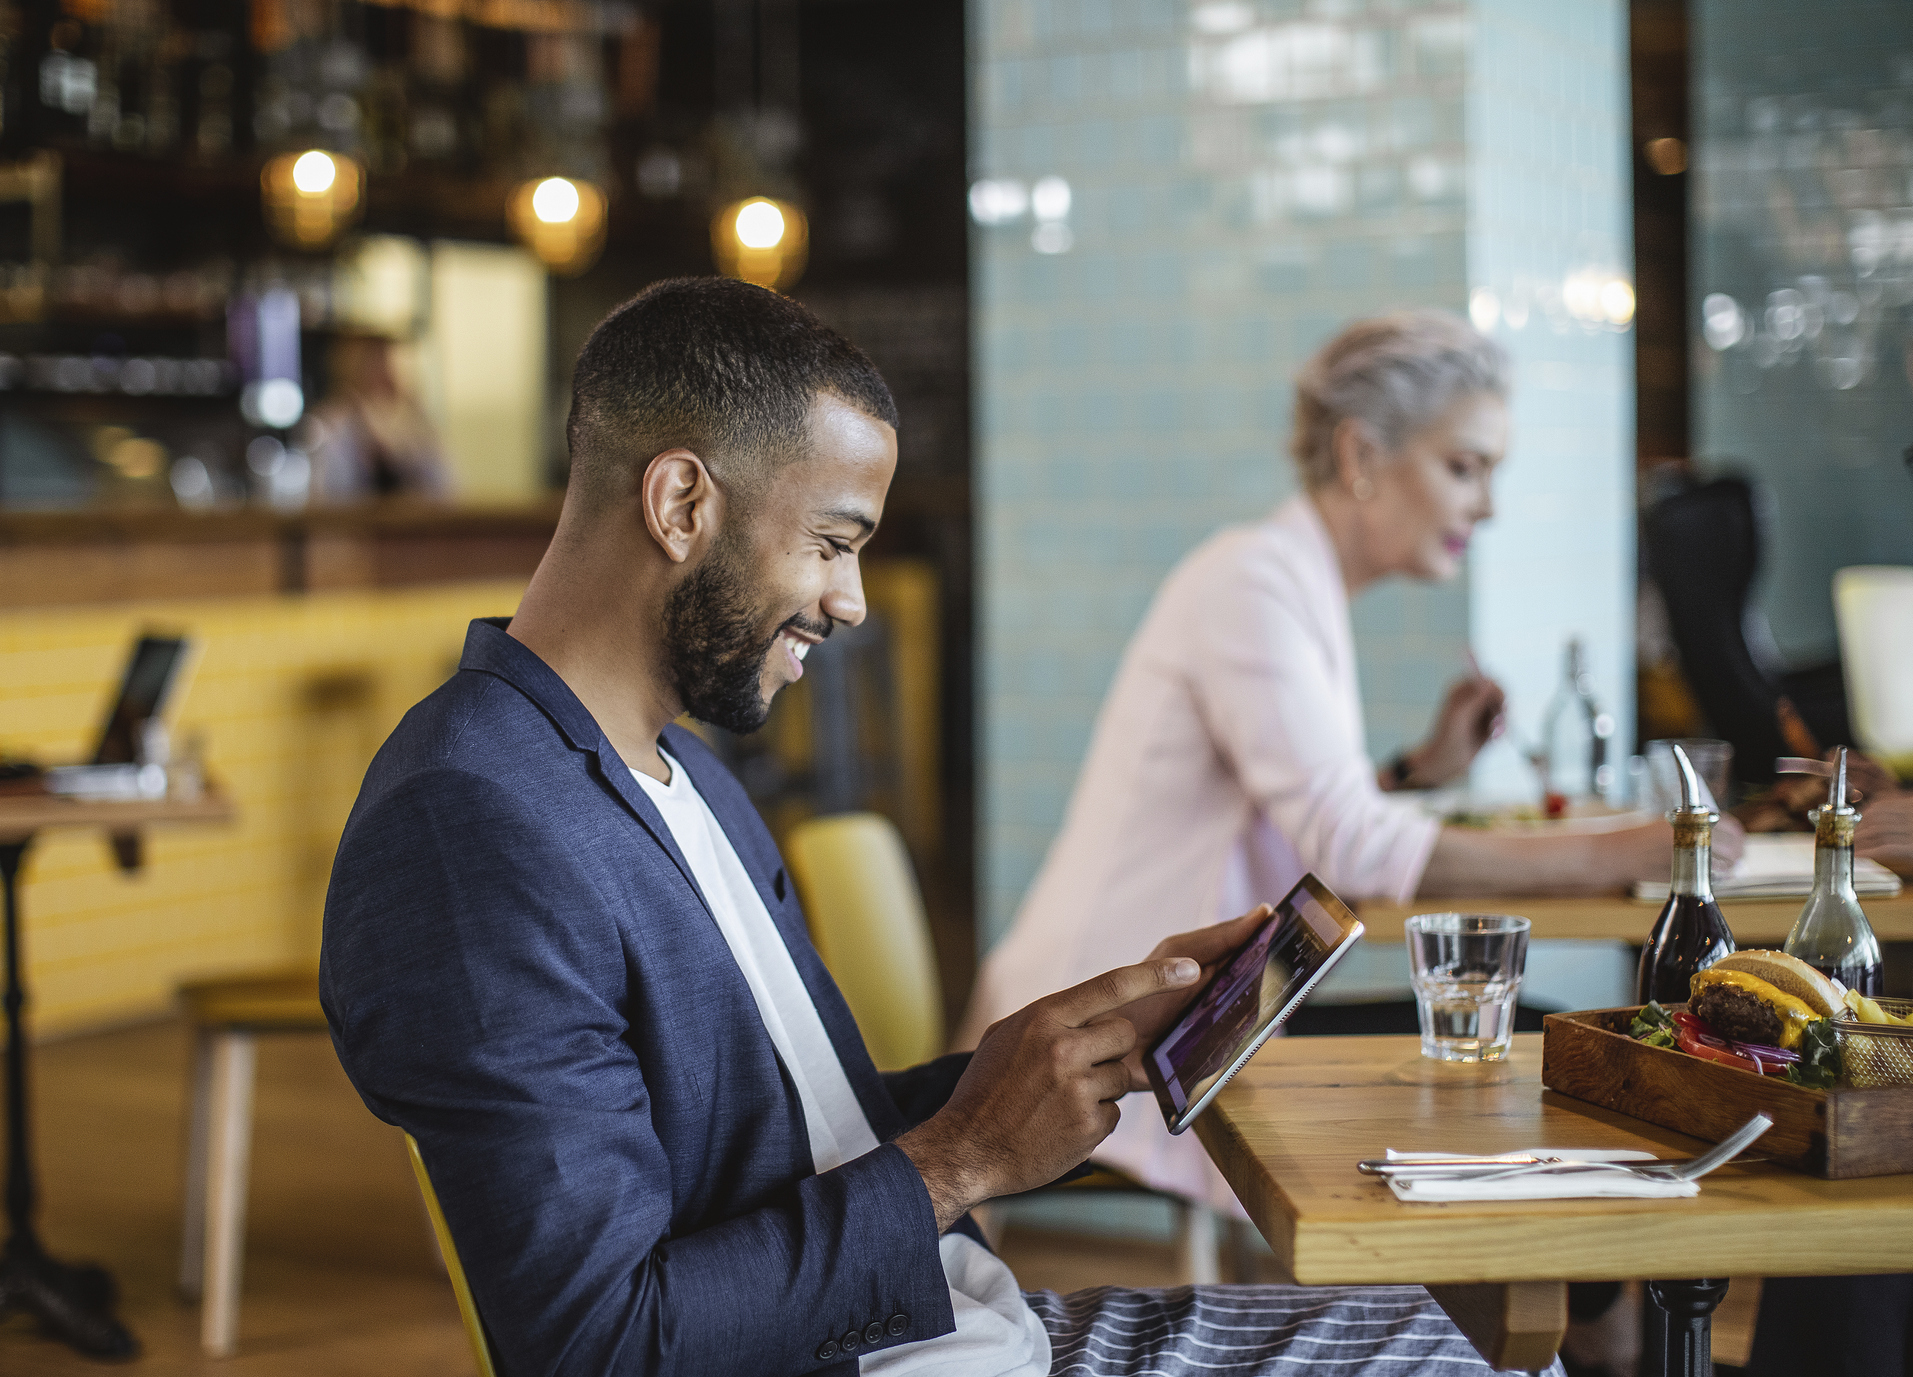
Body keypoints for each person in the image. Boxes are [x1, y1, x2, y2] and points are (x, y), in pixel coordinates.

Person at [321, 281, 1540, 1376]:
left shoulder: (681, 776)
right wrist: (963, 1155)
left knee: (1457, 1333)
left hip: (961, 1331)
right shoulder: (471, 823)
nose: (849, 601)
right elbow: (599, 1344)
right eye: (830, 543)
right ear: (681, 501)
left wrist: (1059, 1058)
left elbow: (781, 1137)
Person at [961, 310, 1744, 1214]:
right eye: (1464, 467)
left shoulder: (1289, 580)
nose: (1485, 507)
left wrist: (1415, 771)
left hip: (1190, 1009)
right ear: (1361, 456)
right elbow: (1353, 851)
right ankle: (1566, 1334)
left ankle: (1558, 1328)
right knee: (1543, 1057)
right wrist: (1635, 848)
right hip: (1117, 1030)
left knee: (1537, 1052)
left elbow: (1323, 825)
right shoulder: (1252, 583)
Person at [300, 331, 452, 501]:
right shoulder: (331, 422)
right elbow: (328, 492)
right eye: (375, 360)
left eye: (387, 359)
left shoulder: (413, 421)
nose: (386, 369)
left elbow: (446, 485)